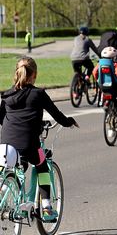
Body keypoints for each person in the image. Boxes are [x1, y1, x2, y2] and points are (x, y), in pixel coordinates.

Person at [0, 57, 79, 221]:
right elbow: (57, 115)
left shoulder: (6, 96)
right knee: (42, 165)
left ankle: (9, 192)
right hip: (29, 145)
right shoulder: (38, 94)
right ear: (34, 74)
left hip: (6, 145)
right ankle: (46, 208)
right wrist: (69, 122)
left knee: (11, 167)